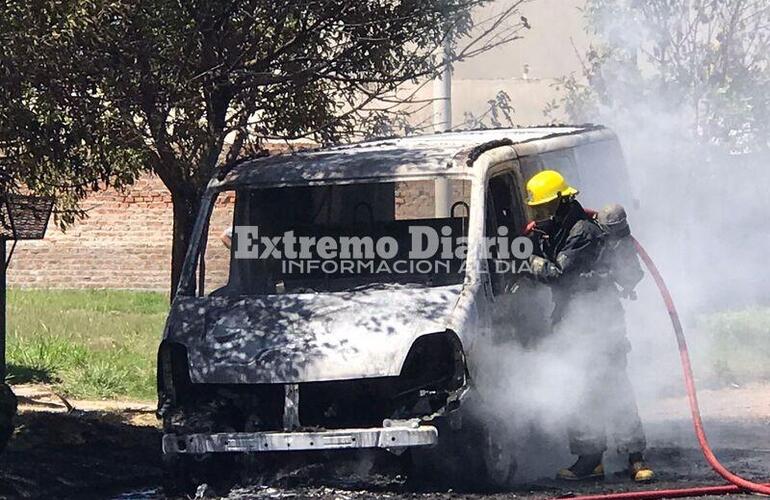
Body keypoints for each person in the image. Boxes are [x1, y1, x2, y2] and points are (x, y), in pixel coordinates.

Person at [522, 170, 655, 483]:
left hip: (599, 320)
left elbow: (559, 272)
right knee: (580, 390)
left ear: (562, 201)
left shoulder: (582, 232)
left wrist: (531, 263)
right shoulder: (555, 230)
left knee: (614, 386)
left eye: (544, 208)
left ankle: (635, 457)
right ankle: (590, 459)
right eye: (536, 210)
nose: (539, 215)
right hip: (571, 321)